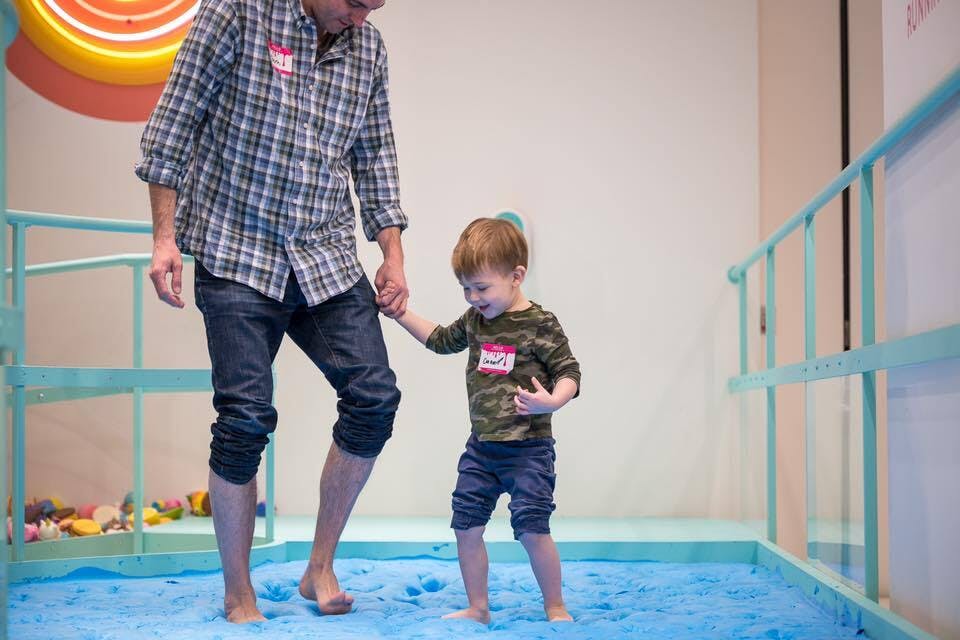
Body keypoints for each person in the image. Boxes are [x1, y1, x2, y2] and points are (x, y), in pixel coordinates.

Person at [135, 0, 406, 624]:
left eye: (374, 6)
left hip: (324, 252)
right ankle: (238, 590)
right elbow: (171, 128)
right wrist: (165, 238)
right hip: (237, 248)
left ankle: (319, 565)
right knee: (245, 418)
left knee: (375, 397)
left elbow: (378, 158)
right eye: (353, 3)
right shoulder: (236, 13)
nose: (360, 19)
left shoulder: (368, 48)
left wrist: (392, 253)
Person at [381, 218, 580, 623]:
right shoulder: (476, 322)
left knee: (531, 528)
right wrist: (399, 313)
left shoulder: (540, 324)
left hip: (529, 449)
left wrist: (552, 403)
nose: (473, 297)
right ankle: (478, 607)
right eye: (466, 288)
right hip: (482, 448)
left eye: (482, 288)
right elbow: (439, 339)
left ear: (516, 276)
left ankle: (555, 604)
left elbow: (570, 373)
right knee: (465, 524)